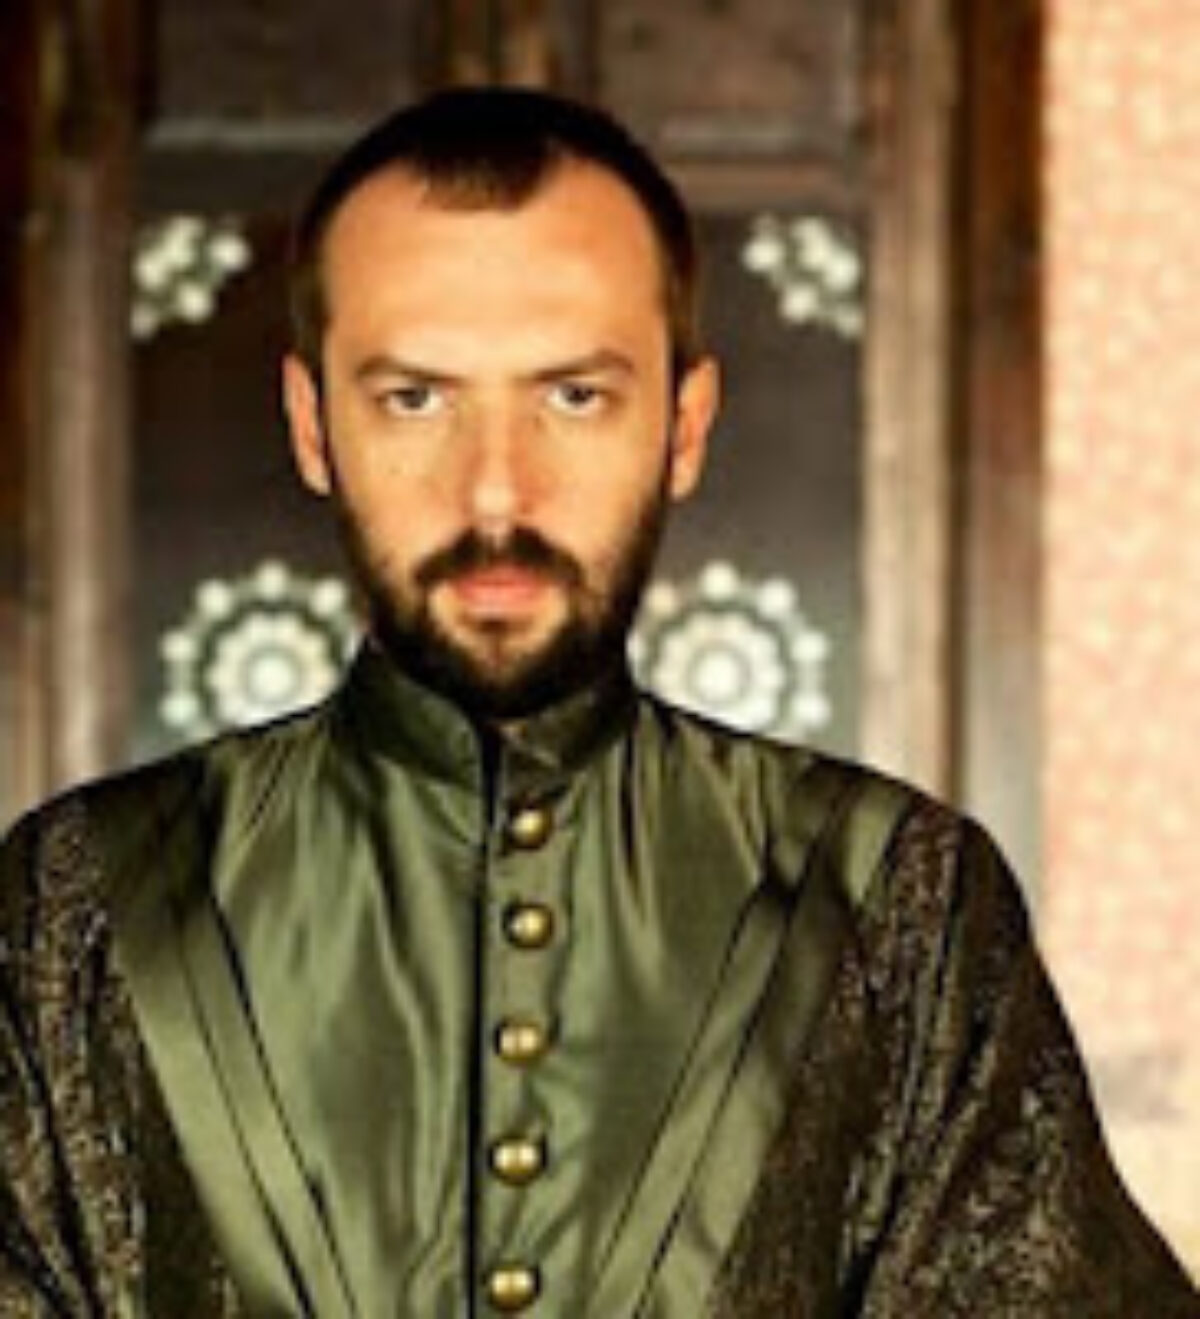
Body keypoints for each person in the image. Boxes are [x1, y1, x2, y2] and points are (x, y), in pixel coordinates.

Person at [0, 87, 1196, 1319]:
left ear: (685, 424)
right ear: (313, 426)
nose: (496, 492)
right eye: (415, 397)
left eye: (574, 396)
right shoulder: (78, 901)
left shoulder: (899, 900)